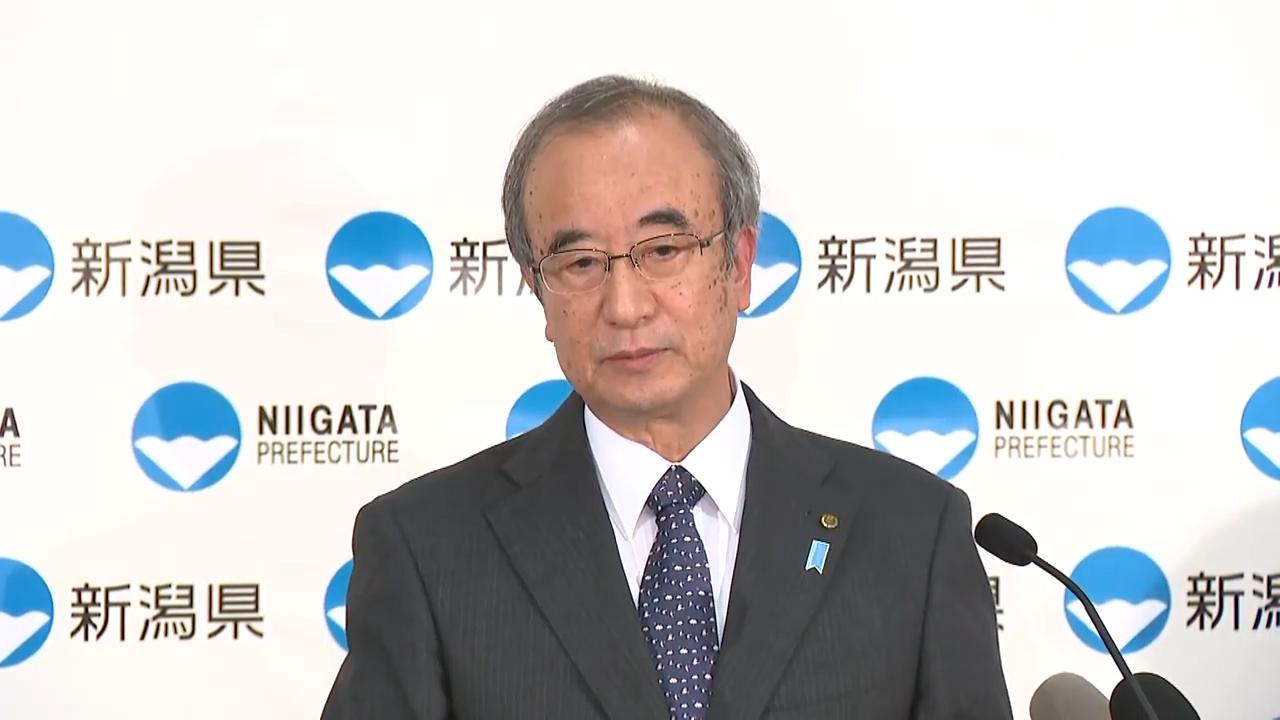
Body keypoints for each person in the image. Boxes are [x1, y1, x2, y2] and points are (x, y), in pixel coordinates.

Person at [321, 74, 1013, 720]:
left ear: (739, 264)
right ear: (538, 289)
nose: (625, 306)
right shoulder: (428, 550)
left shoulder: (911, 533)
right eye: (580, 263)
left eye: (662, 251)